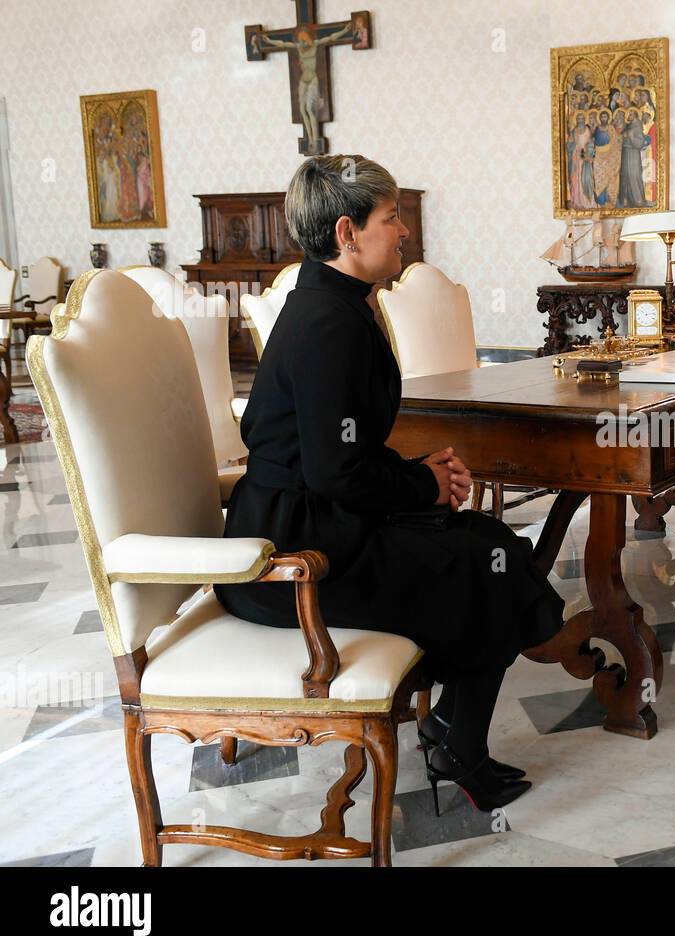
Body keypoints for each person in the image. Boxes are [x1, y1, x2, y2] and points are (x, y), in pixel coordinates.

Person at [216, 155, 564, 812]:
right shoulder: (327, 322)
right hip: (290, 560)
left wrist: (419, 476)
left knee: (489, 544)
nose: (403, 231)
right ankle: (459, 743)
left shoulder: (335, 304)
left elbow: (339, 455)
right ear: (347, 233)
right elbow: (335, 471)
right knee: (484, 563)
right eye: (390, 217)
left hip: (317, 521)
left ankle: (451, 732)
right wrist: (424, 487)